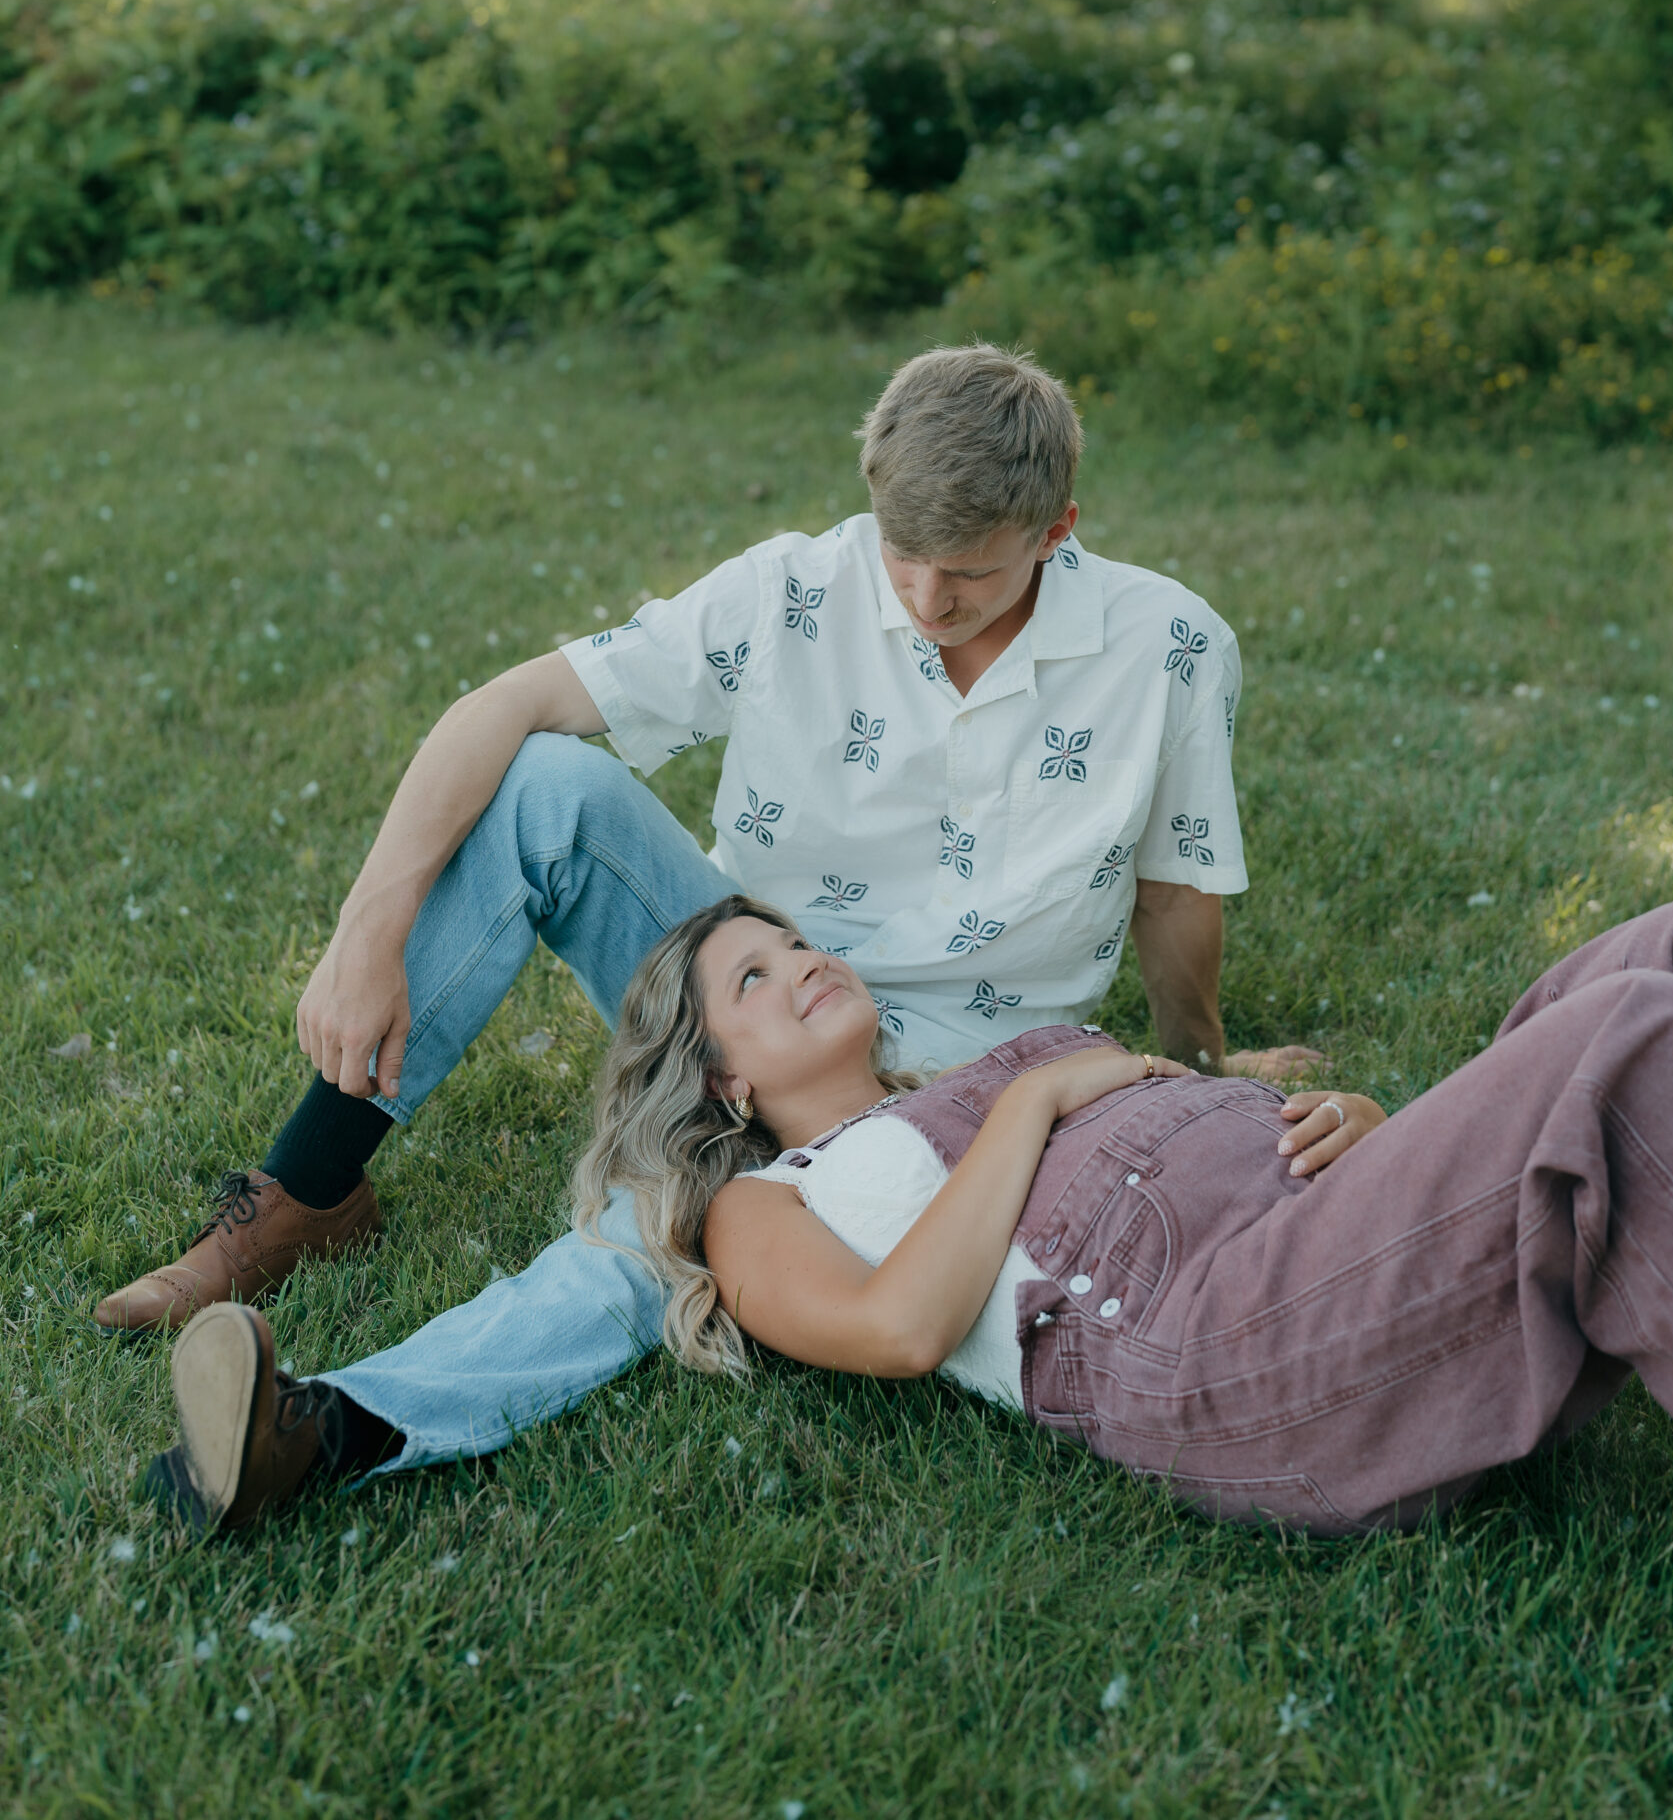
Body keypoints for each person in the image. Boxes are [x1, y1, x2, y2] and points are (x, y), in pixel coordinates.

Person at [99, 344, 1314, 1414]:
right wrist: (370, 928)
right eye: (904, 557)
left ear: (1059, 528)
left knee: (670, 1214)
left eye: (972, 575)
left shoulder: (1172, 646)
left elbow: (1172, 889)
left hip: (955, 1066)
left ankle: (339, 1422)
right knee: (544, 784)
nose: (928, 601)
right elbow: (508, 702)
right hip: (749, 976)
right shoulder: (794, 586)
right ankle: (309, 1187)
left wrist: (1200, 1065)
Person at [153, 892, 1673, 1538]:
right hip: (1212, 1347)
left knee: (1665, 944)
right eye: (747, 986)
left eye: (787, 945)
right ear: (726, 1087)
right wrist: (1034, 1106)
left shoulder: (973, 1070)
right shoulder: (766, 1208)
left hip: (1330, 1233)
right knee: (1634, 1038)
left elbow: (1239, 1127)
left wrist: (1373, 1125)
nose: (794, 968)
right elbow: (899, 1330)